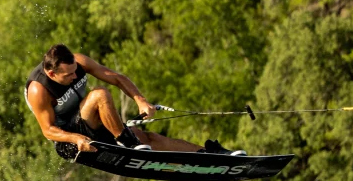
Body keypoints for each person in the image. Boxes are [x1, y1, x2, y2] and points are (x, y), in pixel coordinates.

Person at [24, 44, 243, 155]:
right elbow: (48, 130)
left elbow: (116, 78)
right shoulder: (39, 90)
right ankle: (126, 142)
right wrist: (75, 139)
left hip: (90, 120)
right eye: (68, 75)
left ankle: (206, 154)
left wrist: (140, 100)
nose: (75, 76)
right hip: (71, 139)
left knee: (149, 138)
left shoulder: (78, 62)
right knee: (99, 94)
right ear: (52, 73)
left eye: (75, 71)